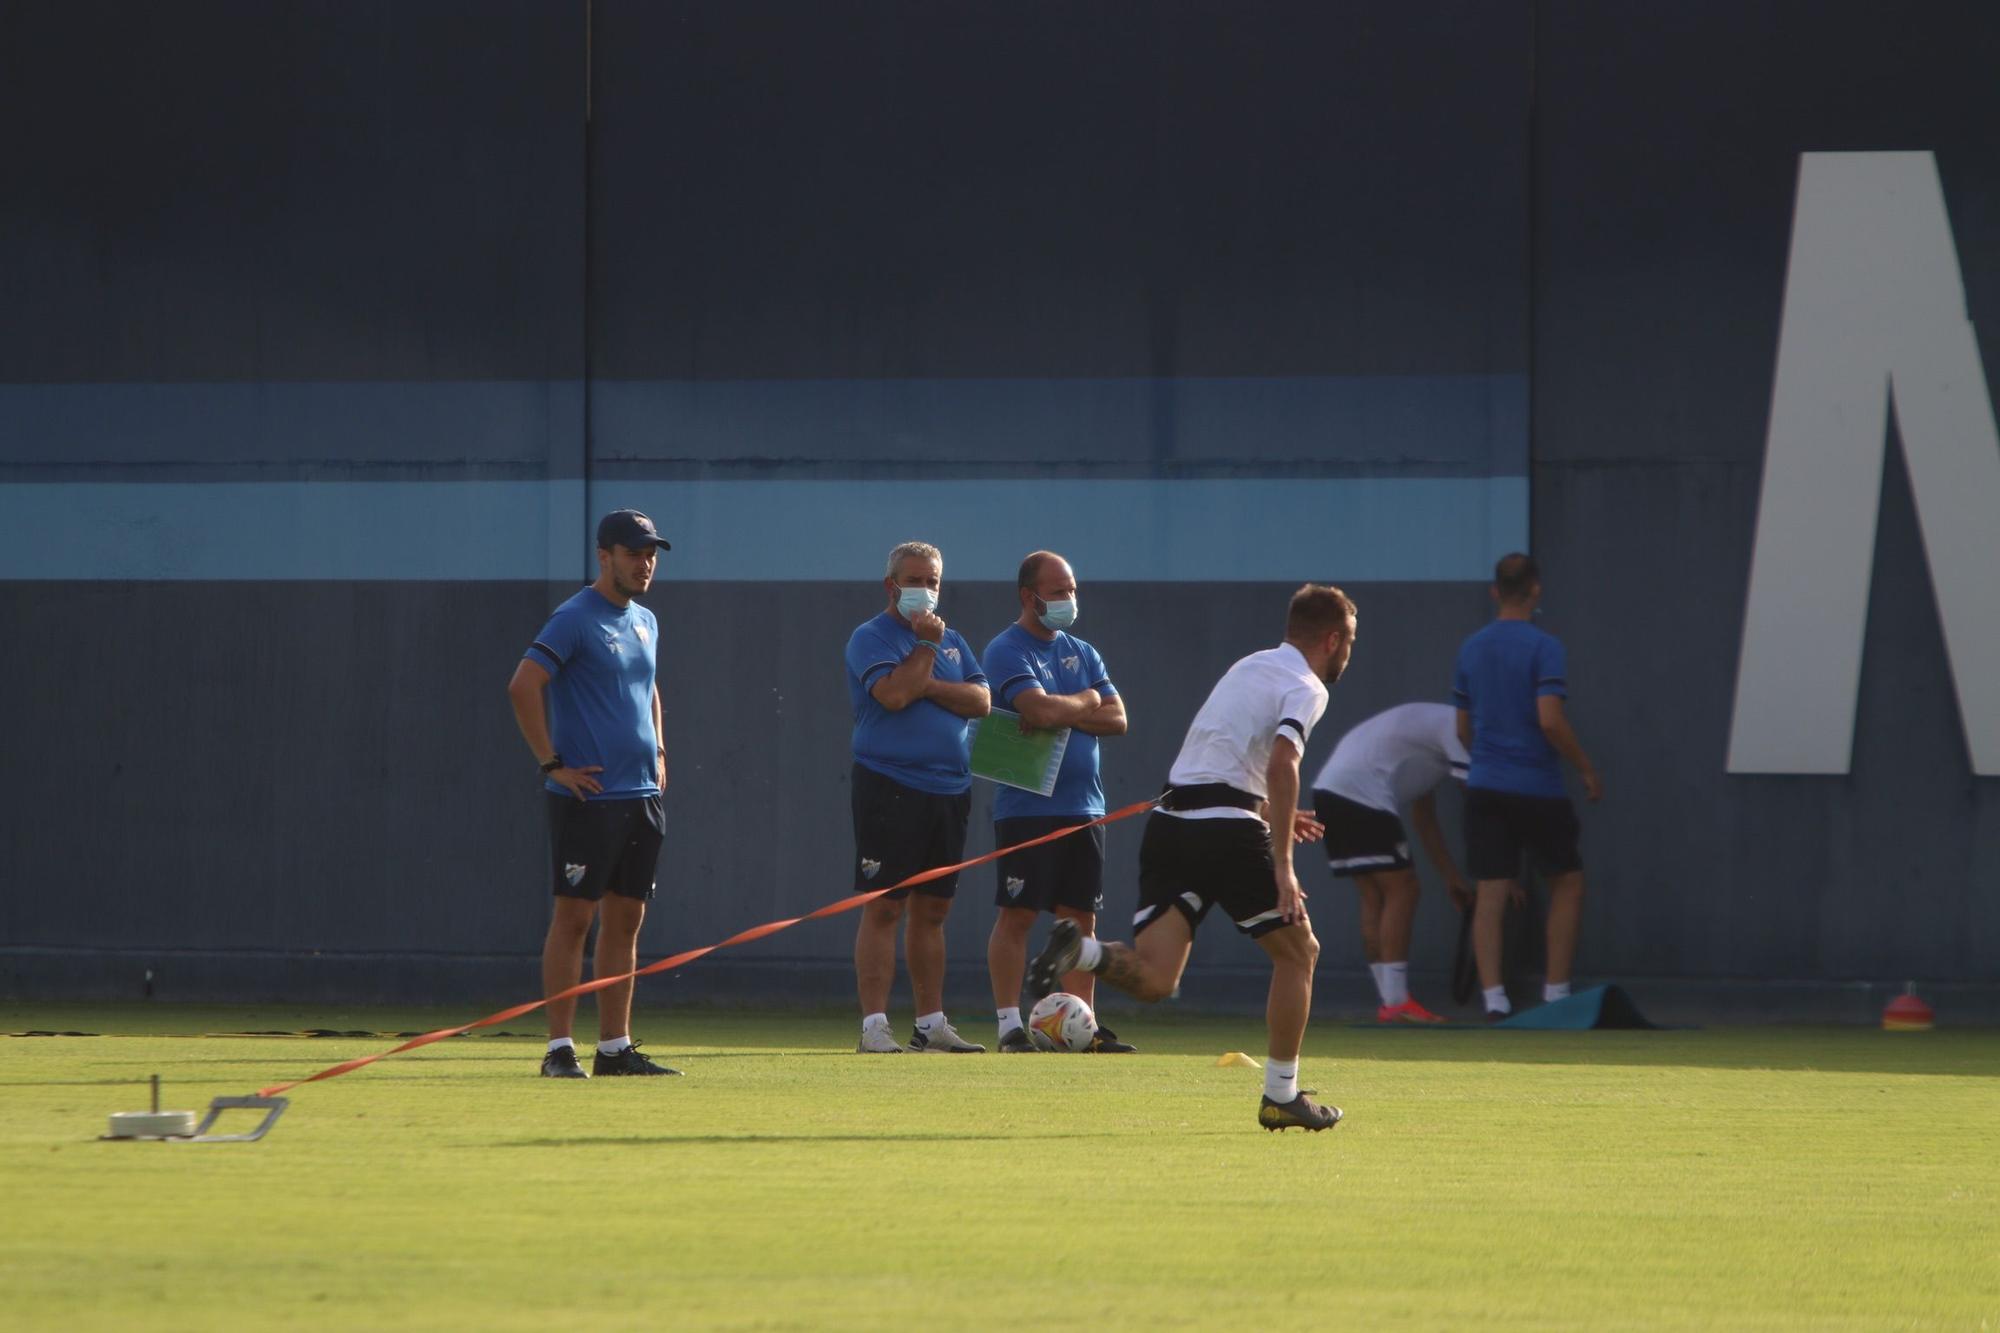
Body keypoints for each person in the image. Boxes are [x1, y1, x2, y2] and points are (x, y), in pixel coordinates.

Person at [1028, 585, 1356, 1131]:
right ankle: (1281, 1094)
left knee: (1156, 981)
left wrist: (1274, 810)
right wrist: (1283, 866)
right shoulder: (1307, 685)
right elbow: (1282, 763)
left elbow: (1227, 758)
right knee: (1300, 953)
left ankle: (1081, 950)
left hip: (1173, 824)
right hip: (1227, 831)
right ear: (1332, 639)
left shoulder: (1251, 665)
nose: (1349, 652)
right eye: (1350, 641)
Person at [505, 509, 680, 1078]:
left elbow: (648, 687)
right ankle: (559, 1049)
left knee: (626, 921)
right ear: (604, 557)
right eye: (634, 553)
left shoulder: (646, 621)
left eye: (651, 552)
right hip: (589, 798)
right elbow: (523, 684)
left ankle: (614, 1049)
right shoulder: (575, 617)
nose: (645, 562)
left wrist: (658, 749)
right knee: (575, 919)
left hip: (640, 795)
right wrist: (552, 763)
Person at [981, 552, 1132, 1054]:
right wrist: (1087, 701)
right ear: (1030, 596)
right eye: (1059, 591)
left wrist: (1064, 711)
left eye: (1072, 589)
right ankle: (1009, 1027)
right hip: (1028, 808)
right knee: (1018, 915)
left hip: (1086, 808)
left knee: (1080, 924)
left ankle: (1084, 1027)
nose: (1070, 600)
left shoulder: (1083, 651)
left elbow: (1119, 719)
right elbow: (1038, 709)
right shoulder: (1007, 649)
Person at [845, 541, 993, 1053]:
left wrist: (928, 681)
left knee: (933, 912)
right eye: (915, 580)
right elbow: (893, 694)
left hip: (949, 790)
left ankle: (930, 1025)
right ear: (891, 586)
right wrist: (925, 655)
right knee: (885, 907)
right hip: (890, 786)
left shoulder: (953, 640)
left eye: (933, 581)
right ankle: (874, 1028)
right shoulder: (871, 638)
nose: (926, 590)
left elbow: (981, 700)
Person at [1451, 553, 1601, 1021]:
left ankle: (1495, 1001)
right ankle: (1557, 995)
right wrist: (1586, 769)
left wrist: (1489, 763)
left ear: (1496, 591)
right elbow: (1550, 720)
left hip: (1486, 787)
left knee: (1490, 892)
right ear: (1535, 590)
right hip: (1538, 786)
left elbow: (1461, 730)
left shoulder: (1471, 648)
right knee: (1567, 883)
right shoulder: (1545, 646)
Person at [1310, 702, 1471, 1024]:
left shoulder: (1426, 744)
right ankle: (1397, 1003)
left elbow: (1424, 818)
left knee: (1375, 894)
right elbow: (1478, 797)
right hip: (1361, 794)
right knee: (1404, 888)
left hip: (1329, 791)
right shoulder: (1456, 727)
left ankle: (1391, 1003)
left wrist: (1451, 876)